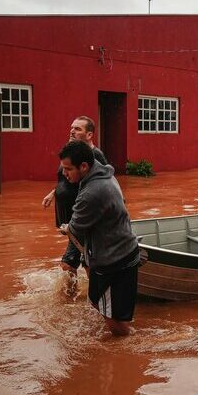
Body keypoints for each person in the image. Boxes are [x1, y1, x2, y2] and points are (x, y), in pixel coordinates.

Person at [58, 140, 139, 337]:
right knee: (98, 302)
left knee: (113, 321)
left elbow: (75, 228)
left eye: (68, 169)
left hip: (114, 261)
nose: (64, 173)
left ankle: (128, 349)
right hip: (119, 252)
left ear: (84, 166)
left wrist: (67, 228)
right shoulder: (103, 174)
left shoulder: (93, 192)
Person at [42, 116, 108, 273]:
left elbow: (104, 183)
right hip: (73, 219)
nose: (72, 131)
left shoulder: (95, 156)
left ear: (90, 135)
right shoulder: (71, 152)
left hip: (84, 219)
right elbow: (66, 179)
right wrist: (54, 193)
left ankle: (82, 296)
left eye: (77, 129)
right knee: (86, 259)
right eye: (72, 127)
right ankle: (89, 294)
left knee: (70, 264)